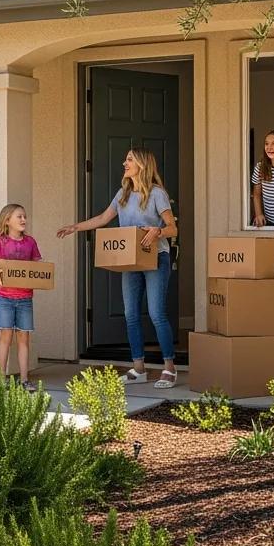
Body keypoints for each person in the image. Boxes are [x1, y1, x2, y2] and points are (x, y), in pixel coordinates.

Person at [57, 148, 178, 388]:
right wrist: (76, 227)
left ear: (142, 164)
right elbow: (103, 218)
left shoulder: (157, 194)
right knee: (131, 315)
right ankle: (139, 368)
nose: (125, 162)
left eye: (130, 159)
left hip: (156, 259)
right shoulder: (122, 193)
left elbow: (172, 228)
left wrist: (158, 231)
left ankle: (169, 368)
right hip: (130, 261)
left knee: (156, 314)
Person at [0, 203, 41, 391]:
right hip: (4, 298)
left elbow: (38, 266)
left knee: (24, 339)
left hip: (25, 298)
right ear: (7, 221)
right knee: (5, 337)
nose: (24, 219)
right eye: (19, 217)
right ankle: (1, 381)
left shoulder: (30, 242)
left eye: (25, 216)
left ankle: (24, 380)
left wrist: (41, 274)